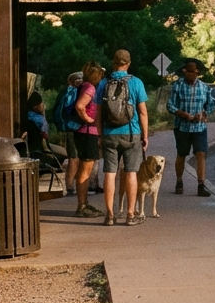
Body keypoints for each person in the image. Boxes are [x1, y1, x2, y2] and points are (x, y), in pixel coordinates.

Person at [100, 49, 149, 226]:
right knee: (131, 173)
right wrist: (145, 135)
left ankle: (110, 215)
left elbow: (99, 112)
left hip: (109, 134)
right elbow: (142, 112)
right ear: (128, 64)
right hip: (131, 133)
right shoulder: (136, 83)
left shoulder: (104, 83)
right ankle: (129, 214)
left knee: (110, 173)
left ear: (114, 62)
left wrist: (100, 134)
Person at [167, 58, 215, 197]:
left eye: (193, 72)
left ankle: (201, 185)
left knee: (201, 154)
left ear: (197, 73)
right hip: (182, 127)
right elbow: (170, 105)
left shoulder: (204, 87)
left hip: (199, 127)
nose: (190, 75)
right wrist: (182, 114)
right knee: (182, 154)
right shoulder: (177, 86)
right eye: (188, 72)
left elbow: (211, 105)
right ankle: (179, 181)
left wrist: (205, 113)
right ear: (185, 72)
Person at [70, 63, 105, 218]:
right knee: (85, 170)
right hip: (87, 132)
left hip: (82, 132)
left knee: (84, 168)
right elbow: (80, 105)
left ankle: (83, 203)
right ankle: (82, 205)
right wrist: (88, 119)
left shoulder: (83, 86)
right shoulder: (90, 88)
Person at [21, 92, 68, 174]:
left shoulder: (37, 117)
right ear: (35, 107)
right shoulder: (33, 120)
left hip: (44, 145)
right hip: (39, 149)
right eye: (40, 104)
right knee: (60, 157)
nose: (43, 105)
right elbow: (43, 135)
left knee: (63, 153)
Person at [59, 72, 83, 195]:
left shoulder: (66, 92)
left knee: (74, 158)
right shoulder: (75, 92)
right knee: (74, 158)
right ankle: (69, 187)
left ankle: (70, 185)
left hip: (70, 128)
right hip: (75, 127)